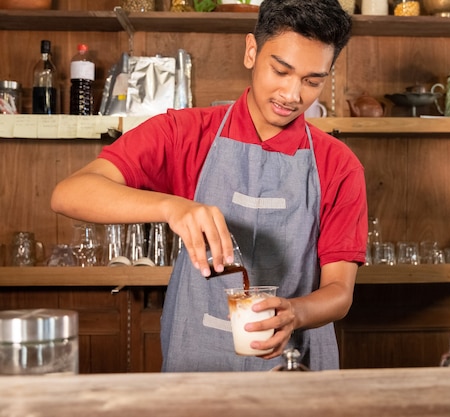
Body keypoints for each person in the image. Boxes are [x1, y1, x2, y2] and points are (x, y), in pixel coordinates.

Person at [51, 0, 367, 372]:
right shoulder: (185, 133)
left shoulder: (338, 164)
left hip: (298, 367)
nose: (292, 94)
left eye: (312, 81)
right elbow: (69, 193)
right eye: (281, 71)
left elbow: (339, 293)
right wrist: (173, 207)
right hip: (197, 365)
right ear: (251, 51)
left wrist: (295, 313)